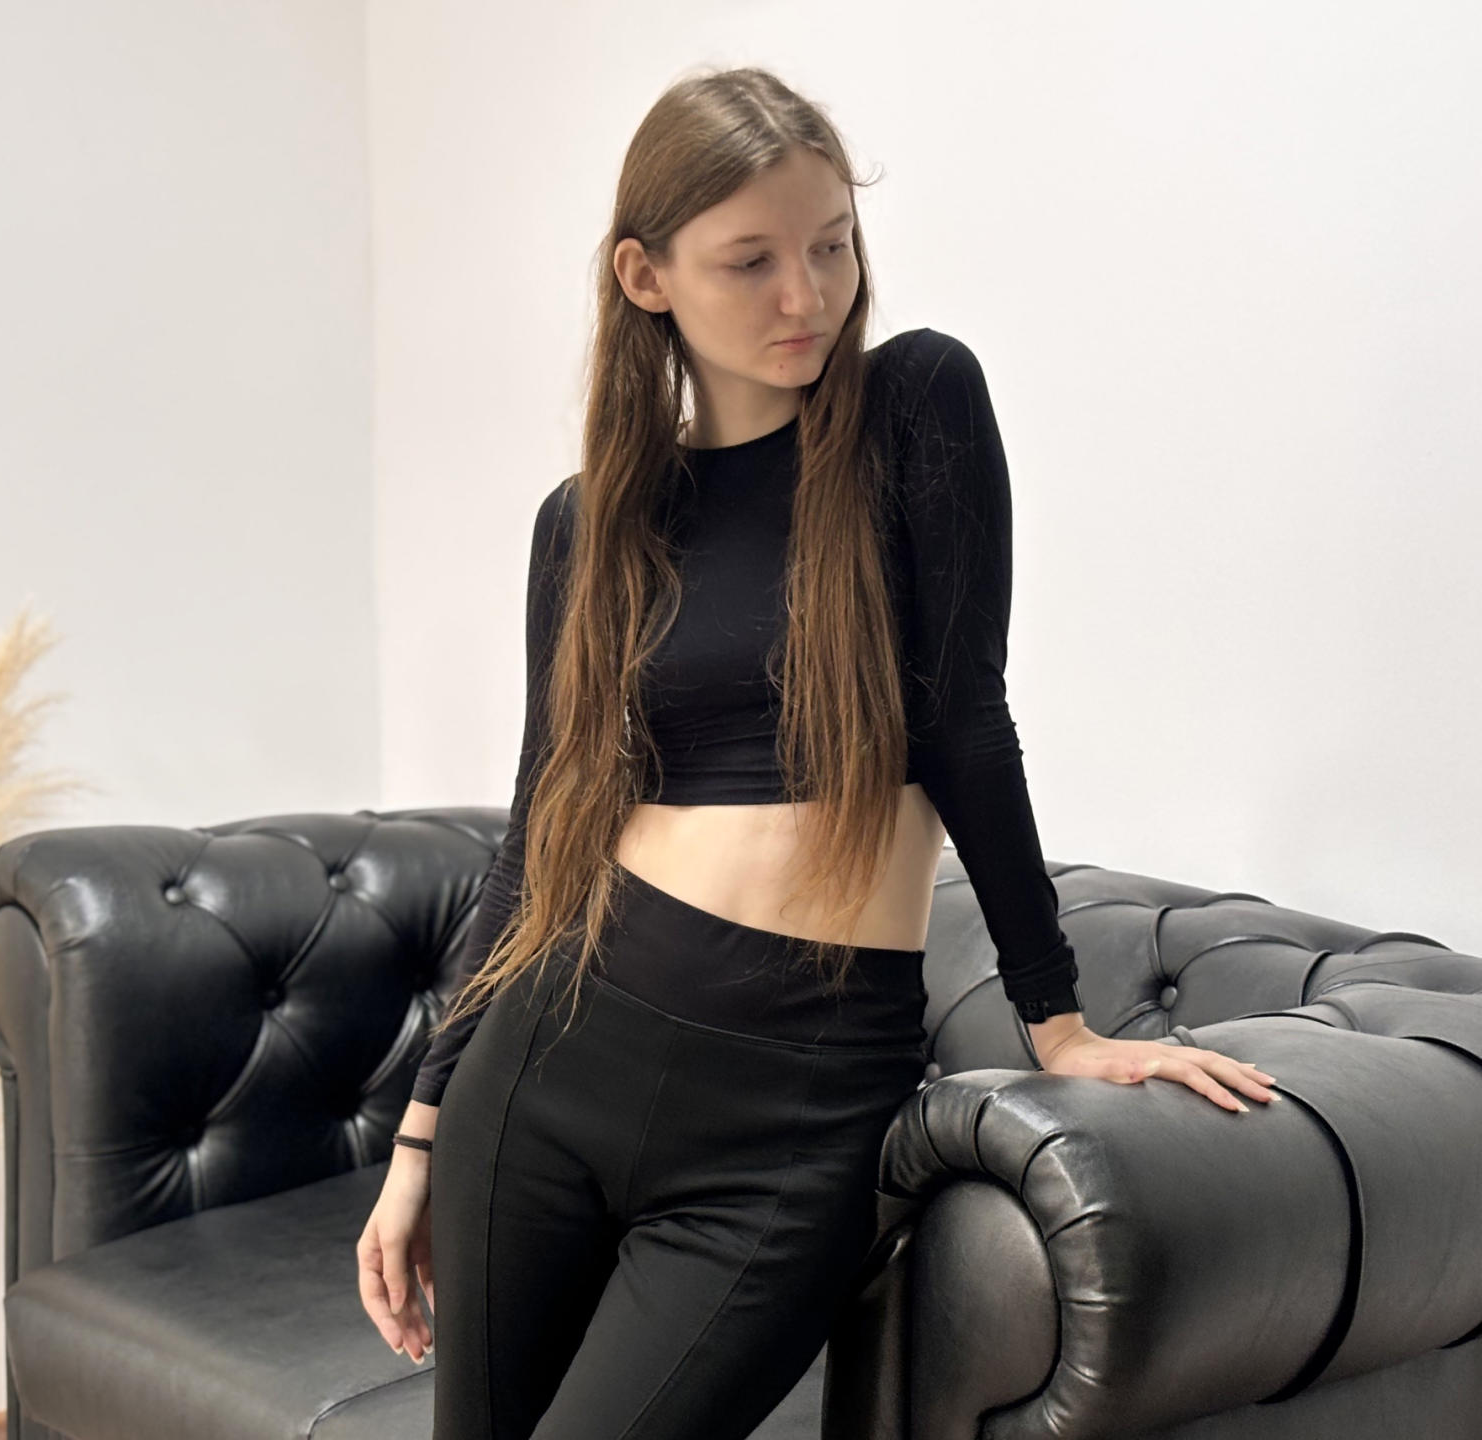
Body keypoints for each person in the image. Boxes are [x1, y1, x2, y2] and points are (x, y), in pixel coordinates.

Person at [355, 65, 1273, 1440]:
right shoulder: (587, 524)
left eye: (833, 245)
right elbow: (536, 836)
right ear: (646, 276)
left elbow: (966, 722)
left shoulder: (916, 409)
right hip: (550, 1061)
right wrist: (420, 1133)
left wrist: (1060, 1022)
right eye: (753, 261)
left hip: (793, 1103)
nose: (810, 294)